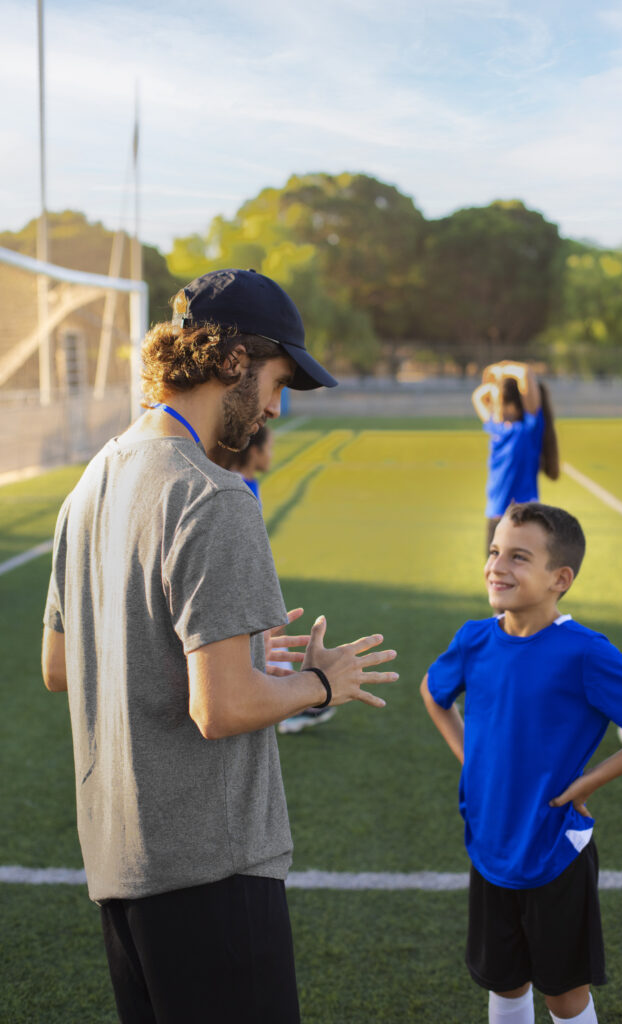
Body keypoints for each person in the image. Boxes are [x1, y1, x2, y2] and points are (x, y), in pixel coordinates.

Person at [41, 267, 399, 1024]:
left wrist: (223, 652)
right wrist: (322, 683)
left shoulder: (91, 484)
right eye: (278, 381)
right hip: (210, 867)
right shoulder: (214, 495)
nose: (275, 408)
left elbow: (60, 665)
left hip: (120, 867)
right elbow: (224, 708)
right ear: (235, 361)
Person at [419, 501, 622, 1024]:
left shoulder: (584, 653)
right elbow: (434, 691)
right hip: (489, 843)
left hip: (554, 850)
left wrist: (591, 780)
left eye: (518, 557)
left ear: (560, 578)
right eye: (494, 551)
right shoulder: (474, 639)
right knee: (504, 984)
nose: (497, 566)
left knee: (563, 994)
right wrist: (471, 759)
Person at [212, 425, 337, 734]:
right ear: (254, 451)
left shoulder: (249, 483)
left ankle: (284, 702)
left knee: (272, 633)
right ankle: (281, 706)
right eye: (269, 448)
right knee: (265, 634)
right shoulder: (234, 487)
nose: (272, 454)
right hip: (241, 582)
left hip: (253, 578)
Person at [472, 361, 560, 552]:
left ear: (514, 407)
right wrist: (493, 381)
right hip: (496, 515)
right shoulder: (496, 428)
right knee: (494, 571)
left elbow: (525, 372)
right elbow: (478, 396)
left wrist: (502, 369)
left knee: (521, 570)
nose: (493, 407)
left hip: (524, 517)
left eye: (497, 403)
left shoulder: (527, 430)